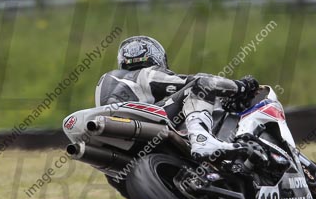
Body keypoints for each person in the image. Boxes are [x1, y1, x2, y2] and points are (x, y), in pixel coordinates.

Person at [95, 35, 259, 159]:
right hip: (140, 123)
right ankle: (202, 139)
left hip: (111, 137)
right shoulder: (146, 74)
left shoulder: (105, 79)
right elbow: (197, 81)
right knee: (200, 85)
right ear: (156, 56)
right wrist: (241, 86)